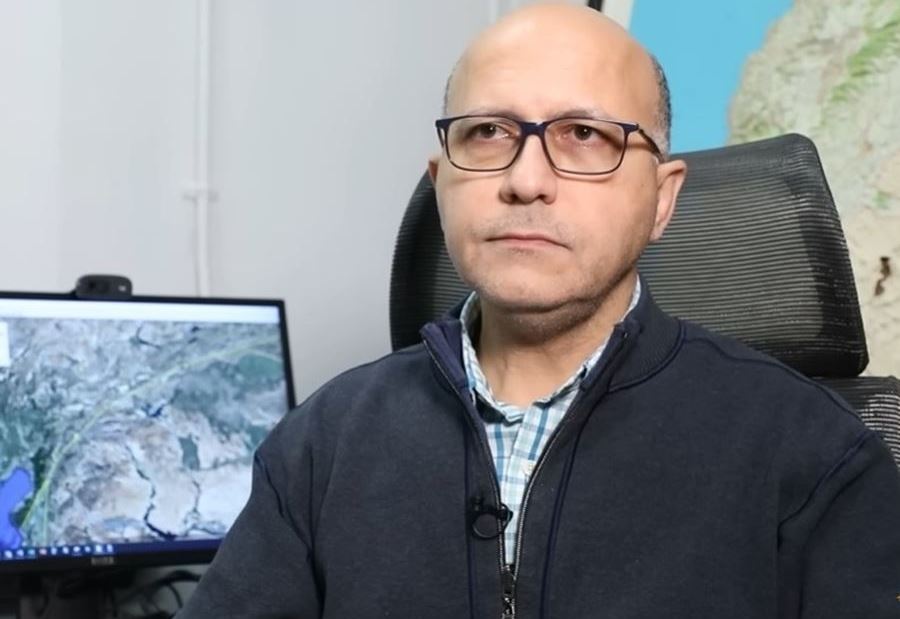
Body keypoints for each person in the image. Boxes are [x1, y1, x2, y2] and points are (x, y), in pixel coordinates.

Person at [179, 4, 900, 618]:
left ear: (662, 199)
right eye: (487, 133)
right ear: (441, 181)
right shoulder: (322, 442)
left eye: (585, 135)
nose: (526, 180)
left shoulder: (815, 456)